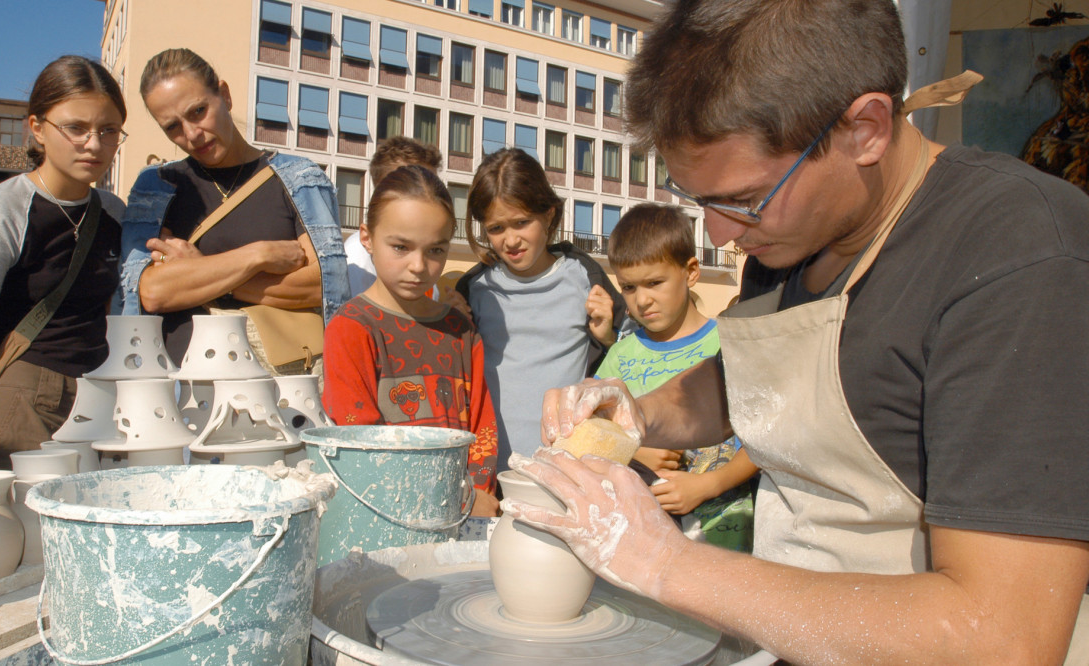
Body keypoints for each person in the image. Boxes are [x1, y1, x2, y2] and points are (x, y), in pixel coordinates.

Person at [507, 1, 1089, 663]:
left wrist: (664, 563)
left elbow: (1001, 638)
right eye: (700, 200)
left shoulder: (1020, 258)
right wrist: (639, 414)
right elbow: (750, 385)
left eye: (743, 199)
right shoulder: (790, 236)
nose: (722, 236)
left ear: (866, 129)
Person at [0, 56, 127, 471]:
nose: (94, 144)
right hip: (20, 404)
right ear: (37, 128)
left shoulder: (113, 213)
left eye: (108, 130)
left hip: (99, 406)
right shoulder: (1, 211)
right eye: (75, 128)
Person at [119, 48, 348, 373]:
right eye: (172, 127)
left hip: (283, 384)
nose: (192, 134)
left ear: (224, 95)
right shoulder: (156, 187)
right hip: (182, 387)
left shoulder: (300, 179)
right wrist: (258, 255)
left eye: (198, 111)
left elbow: (323, 285)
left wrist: (199, 271)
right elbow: (153, 291)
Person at [321, 165, 500, 516]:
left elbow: (483, 429)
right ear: (367, 238)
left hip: (464, 522)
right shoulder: (351, 328)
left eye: (435, 250)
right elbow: (361, 444)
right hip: (385, 517)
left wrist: (476, 493)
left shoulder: (461, 331)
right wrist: (456, 497)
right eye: (401, 247)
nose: (419, 265)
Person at [455, 148, 627, 474]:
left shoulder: (585, 279)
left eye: (522, 222)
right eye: (496, 228)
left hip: (566, 469)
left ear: (549, 214)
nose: (510, 240)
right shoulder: (474, 290)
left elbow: (628, 361)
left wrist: (608, 337)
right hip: (487, 472)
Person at [595, 204, 756, 551]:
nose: (642, 300)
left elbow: (766, 439)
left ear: (691, 271)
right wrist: (632, 453)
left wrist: (709, 484)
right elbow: (594, 435)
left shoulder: (730, 345)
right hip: (643, 546)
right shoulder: (620, 357)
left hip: (728, 542)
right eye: (628, 287)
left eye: (654, 283)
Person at [344, 137, 444, 298]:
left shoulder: (424, 253)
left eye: (433, 185)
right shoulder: (356, 259)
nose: (426, 194)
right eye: (411, 186)